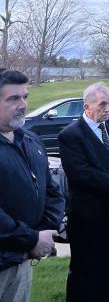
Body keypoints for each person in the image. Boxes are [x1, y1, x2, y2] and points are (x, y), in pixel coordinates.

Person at [58, 82, 109, 302]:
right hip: (88, 215)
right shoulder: (71, 135)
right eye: (103, 104)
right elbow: (81, 173)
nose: (108, 109)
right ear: (86, 107)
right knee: (85, 269)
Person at [0, 70, 64, 302]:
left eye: (25, 96)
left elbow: (52, 192)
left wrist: (42, 236)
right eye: (13, 98)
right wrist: (32, 239)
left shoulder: (31, 140)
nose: (23, 104)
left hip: (22, 260)